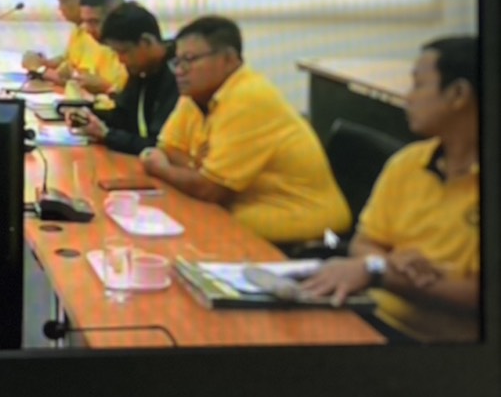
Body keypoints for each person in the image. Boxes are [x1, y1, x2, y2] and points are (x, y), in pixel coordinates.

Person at [301, 37, 479, 343]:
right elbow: (365, 242)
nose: (408, 97)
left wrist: (382, 272)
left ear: (458, 94)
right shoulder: (408, 163)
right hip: (373, 315)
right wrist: (384, 262)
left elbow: (478, 295)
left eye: (418, 85)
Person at [141, 15, 350, 245]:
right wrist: (198, 171)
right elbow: (168, 148)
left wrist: (161, 169)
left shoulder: (248, 98)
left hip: (296, 217)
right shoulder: (195, 93)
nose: (179, 71)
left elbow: (209, 190)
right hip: (243, 205)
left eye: (189, 60)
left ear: (229, 59)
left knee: (188, 234)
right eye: (177, 61)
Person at [65, 2, 179, 156]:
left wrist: (107, 135)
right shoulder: (142, 69)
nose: (120, 60)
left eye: (124, 52)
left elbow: (159, 145)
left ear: (146, 42)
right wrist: (88, 116)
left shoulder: (179, 75)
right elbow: (125, 117)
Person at [22, 0, 92, 85]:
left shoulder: (95, 34)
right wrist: (44, 62)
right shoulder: (78, 28)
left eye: (64, 1)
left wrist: (40, 70)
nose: (60, 8)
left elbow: (81, 81)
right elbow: (68, 60)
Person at [66, 0, 128, 94]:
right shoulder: (92, 40)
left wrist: (105, 88)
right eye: (85, 21)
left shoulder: (131, 50)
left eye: (94, 22)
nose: (87, 29)